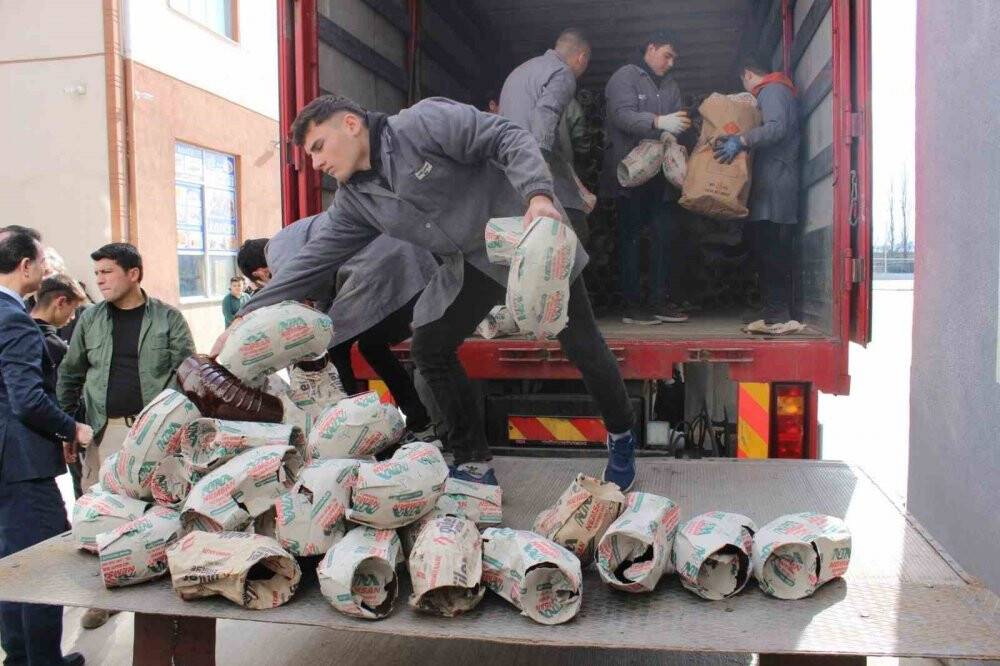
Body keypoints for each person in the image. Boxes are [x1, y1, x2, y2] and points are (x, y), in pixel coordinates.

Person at [239, 94, 640, 492]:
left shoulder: (421, 125)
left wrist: (538, 195)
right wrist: (245, 318)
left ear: (350, 124)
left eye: (318, 147)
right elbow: (312, 261)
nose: (316, 163)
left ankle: (621, 436)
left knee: (581, 343)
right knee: (429, 346)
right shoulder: (356, 202)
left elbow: (507, 136)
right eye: (310, 156)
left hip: (526, 236)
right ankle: (473, 460)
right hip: (470, 262)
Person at [57, 242, 194, 630]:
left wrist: (174, 427)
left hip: (155, 432)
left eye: (107, 272)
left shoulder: (168, 318)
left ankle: (167, 593)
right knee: (100, 514)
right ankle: (102, 598)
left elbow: (187, 373)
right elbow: (71, 373)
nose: (99, 279)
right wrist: (66, 424)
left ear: (133, 274)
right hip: (108, 431)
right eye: (96, 272)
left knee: (161, 513)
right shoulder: (90, 320)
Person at [237, 218, 440, 441]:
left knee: (334, 345)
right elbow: (326, 297)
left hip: (379, 267)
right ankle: (420, 422)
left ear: (260, 273)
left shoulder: (278, 254)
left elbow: (290, 296)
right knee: (371, 345)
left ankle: (353, 428)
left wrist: (242, 319)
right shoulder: (292, 237)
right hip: (407, 259)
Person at [0, 229, 89, 666]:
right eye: (42, 261)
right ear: (25, 267)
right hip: (21, 465)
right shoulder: (13, 317)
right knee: (43, 566)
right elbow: (27, 399)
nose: (47, 269)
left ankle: (20, 659)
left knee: (9, 568)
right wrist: (72, 428)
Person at [602, 30, 692, 325]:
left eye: (674, 59)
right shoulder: (625, 77)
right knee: (630, 238)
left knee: (663, 236)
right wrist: (656, 121)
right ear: (650, 48)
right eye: (667, 55)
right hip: (632, 172)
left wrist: (672, 129)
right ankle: (632, 305)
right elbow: (621, 115)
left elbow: (678, 122)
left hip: (661, 176)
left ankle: (659, 301)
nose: (671, 63)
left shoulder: (671, 84)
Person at [714, 57, 801, 324]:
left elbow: (776, 128)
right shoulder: (779, 90)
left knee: (770, 248)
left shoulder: (773, 90)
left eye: (744, 81)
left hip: (775, 181)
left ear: (748, 74)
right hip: (771, 181)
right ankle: (771, 308)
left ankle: (778, 311)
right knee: (763, 246)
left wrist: (742, 140)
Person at [499, 28, 592, 244]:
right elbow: (546, 112)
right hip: (535, 170)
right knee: (576, 236)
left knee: (526, 245)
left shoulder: (521, 71)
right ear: (582, 57)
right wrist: (540, 165)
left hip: (508, 172)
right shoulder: (562, 73)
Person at [30, 274, 89, 498]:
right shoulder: (53, 345)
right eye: (72, 309)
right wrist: (70, 431)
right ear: (60, 302)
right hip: (41, 443)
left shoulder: (15, 332)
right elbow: (60, 395)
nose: (72, 317)